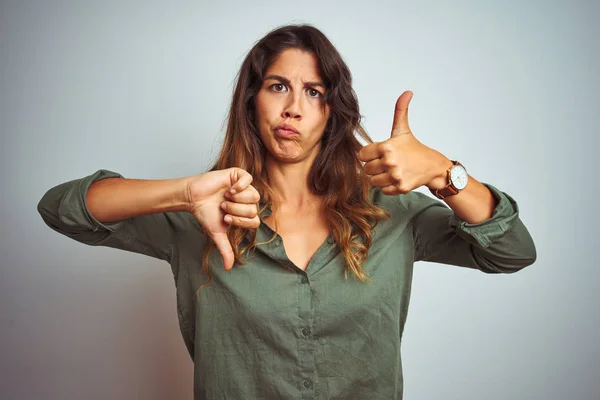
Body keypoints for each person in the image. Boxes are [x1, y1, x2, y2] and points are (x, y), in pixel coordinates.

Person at [37, 24, 536, 400]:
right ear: (252, 100)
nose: (293, 108)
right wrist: (185, 192)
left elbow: (512, 253)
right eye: (278, 86)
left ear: (332, 110)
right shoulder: (204, 214)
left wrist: (444, 174)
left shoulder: (390, 211)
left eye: (314, 92)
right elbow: (63, 209)